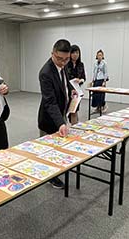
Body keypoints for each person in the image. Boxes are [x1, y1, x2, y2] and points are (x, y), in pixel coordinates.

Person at [38, 39, 76, 189]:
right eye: (59, 58)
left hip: (61, 113)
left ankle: (56, 170)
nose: (63, 62)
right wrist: (60, 122)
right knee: (49, 150)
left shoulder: (63, 66)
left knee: (59, 149)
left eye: (66, 59)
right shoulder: (45, 72)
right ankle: (51, 177)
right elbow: (49, 102)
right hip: (49, 118)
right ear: (52, 53)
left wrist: (70, 89)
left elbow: (64, 82)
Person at [66, 44, 86, 124]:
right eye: (73, 53)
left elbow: (84, 77)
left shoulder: (81, 65)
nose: (75, 55)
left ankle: (74, 125)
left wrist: (80, 80)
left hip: (77, 91)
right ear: (70, 54)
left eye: (77, 53)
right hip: (68, 90)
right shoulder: (66, 65)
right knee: (69, 110)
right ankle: (73, 124)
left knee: (74, 110)